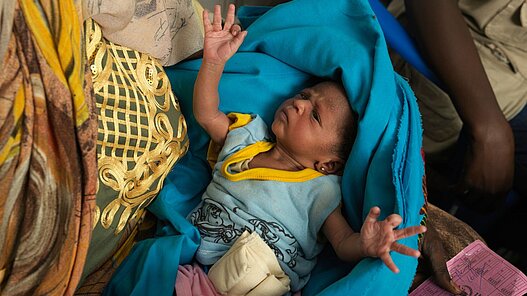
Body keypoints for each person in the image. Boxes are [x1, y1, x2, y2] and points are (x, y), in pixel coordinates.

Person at [187, 4, 427, 292]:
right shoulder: (246, 136)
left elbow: (341, 243)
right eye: (303, 95)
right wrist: (214, 63)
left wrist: (366, 244)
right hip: (197, 267)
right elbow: (206, 114)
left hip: (262, 283)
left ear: (327, 164)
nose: (298, 104)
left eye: (314, 116)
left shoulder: (320, 191)